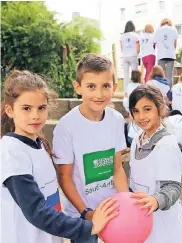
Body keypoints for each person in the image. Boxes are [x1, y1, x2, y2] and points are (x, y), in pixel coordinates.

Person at [1, 70, 117, 243]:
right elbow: (37, 212)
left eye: (41, 108)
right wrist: (89, 227)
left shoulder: (39, 143)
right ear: (10, 110)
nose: (35, 115)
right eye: (26, 108)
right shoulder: (12, 153)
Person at [53, 54, 129, 243]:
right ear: (78, 87)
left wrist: (126, 203)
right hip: (81, 212)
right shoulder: (66, 126)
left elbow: (117, 169)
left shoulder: (117, 120)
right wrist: (86, 213)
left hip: (112, 208)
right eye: (91, 86)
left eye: (105, 86)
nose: (99, 94)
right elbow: (65, 177)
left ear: (114, 87)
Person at [128, 85, 182, 243]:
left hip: (163, 222)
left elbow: (173, 188)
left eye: (147, 109)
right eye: (136, 111)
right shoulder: (136, 141)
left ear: (160, 108)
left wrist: (155, 200)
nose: (141, 116)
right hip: (141, 218)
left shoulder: (167, 144)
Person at [154, 18, 178, 87]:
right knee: (169, 75)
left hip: (161, 55)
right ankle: (169, 93)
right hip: (171, 55)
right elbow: (175, 44)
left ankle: (161, 91)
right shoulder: (173, 29)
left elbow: (155, 42)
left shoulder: (158, 30)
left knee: (160, 75)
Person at [120, 21, 140, 93]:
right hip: (133, 56)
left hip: (125, 56)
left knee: (126, 74)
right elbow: (138, 49)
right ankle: (134, 90)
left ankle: (126, 91)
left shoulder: (122, 36)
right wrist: (136, 53)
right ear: (133, 28)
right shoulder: (135, 36)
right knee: (134, 73)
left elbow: (121, 49)